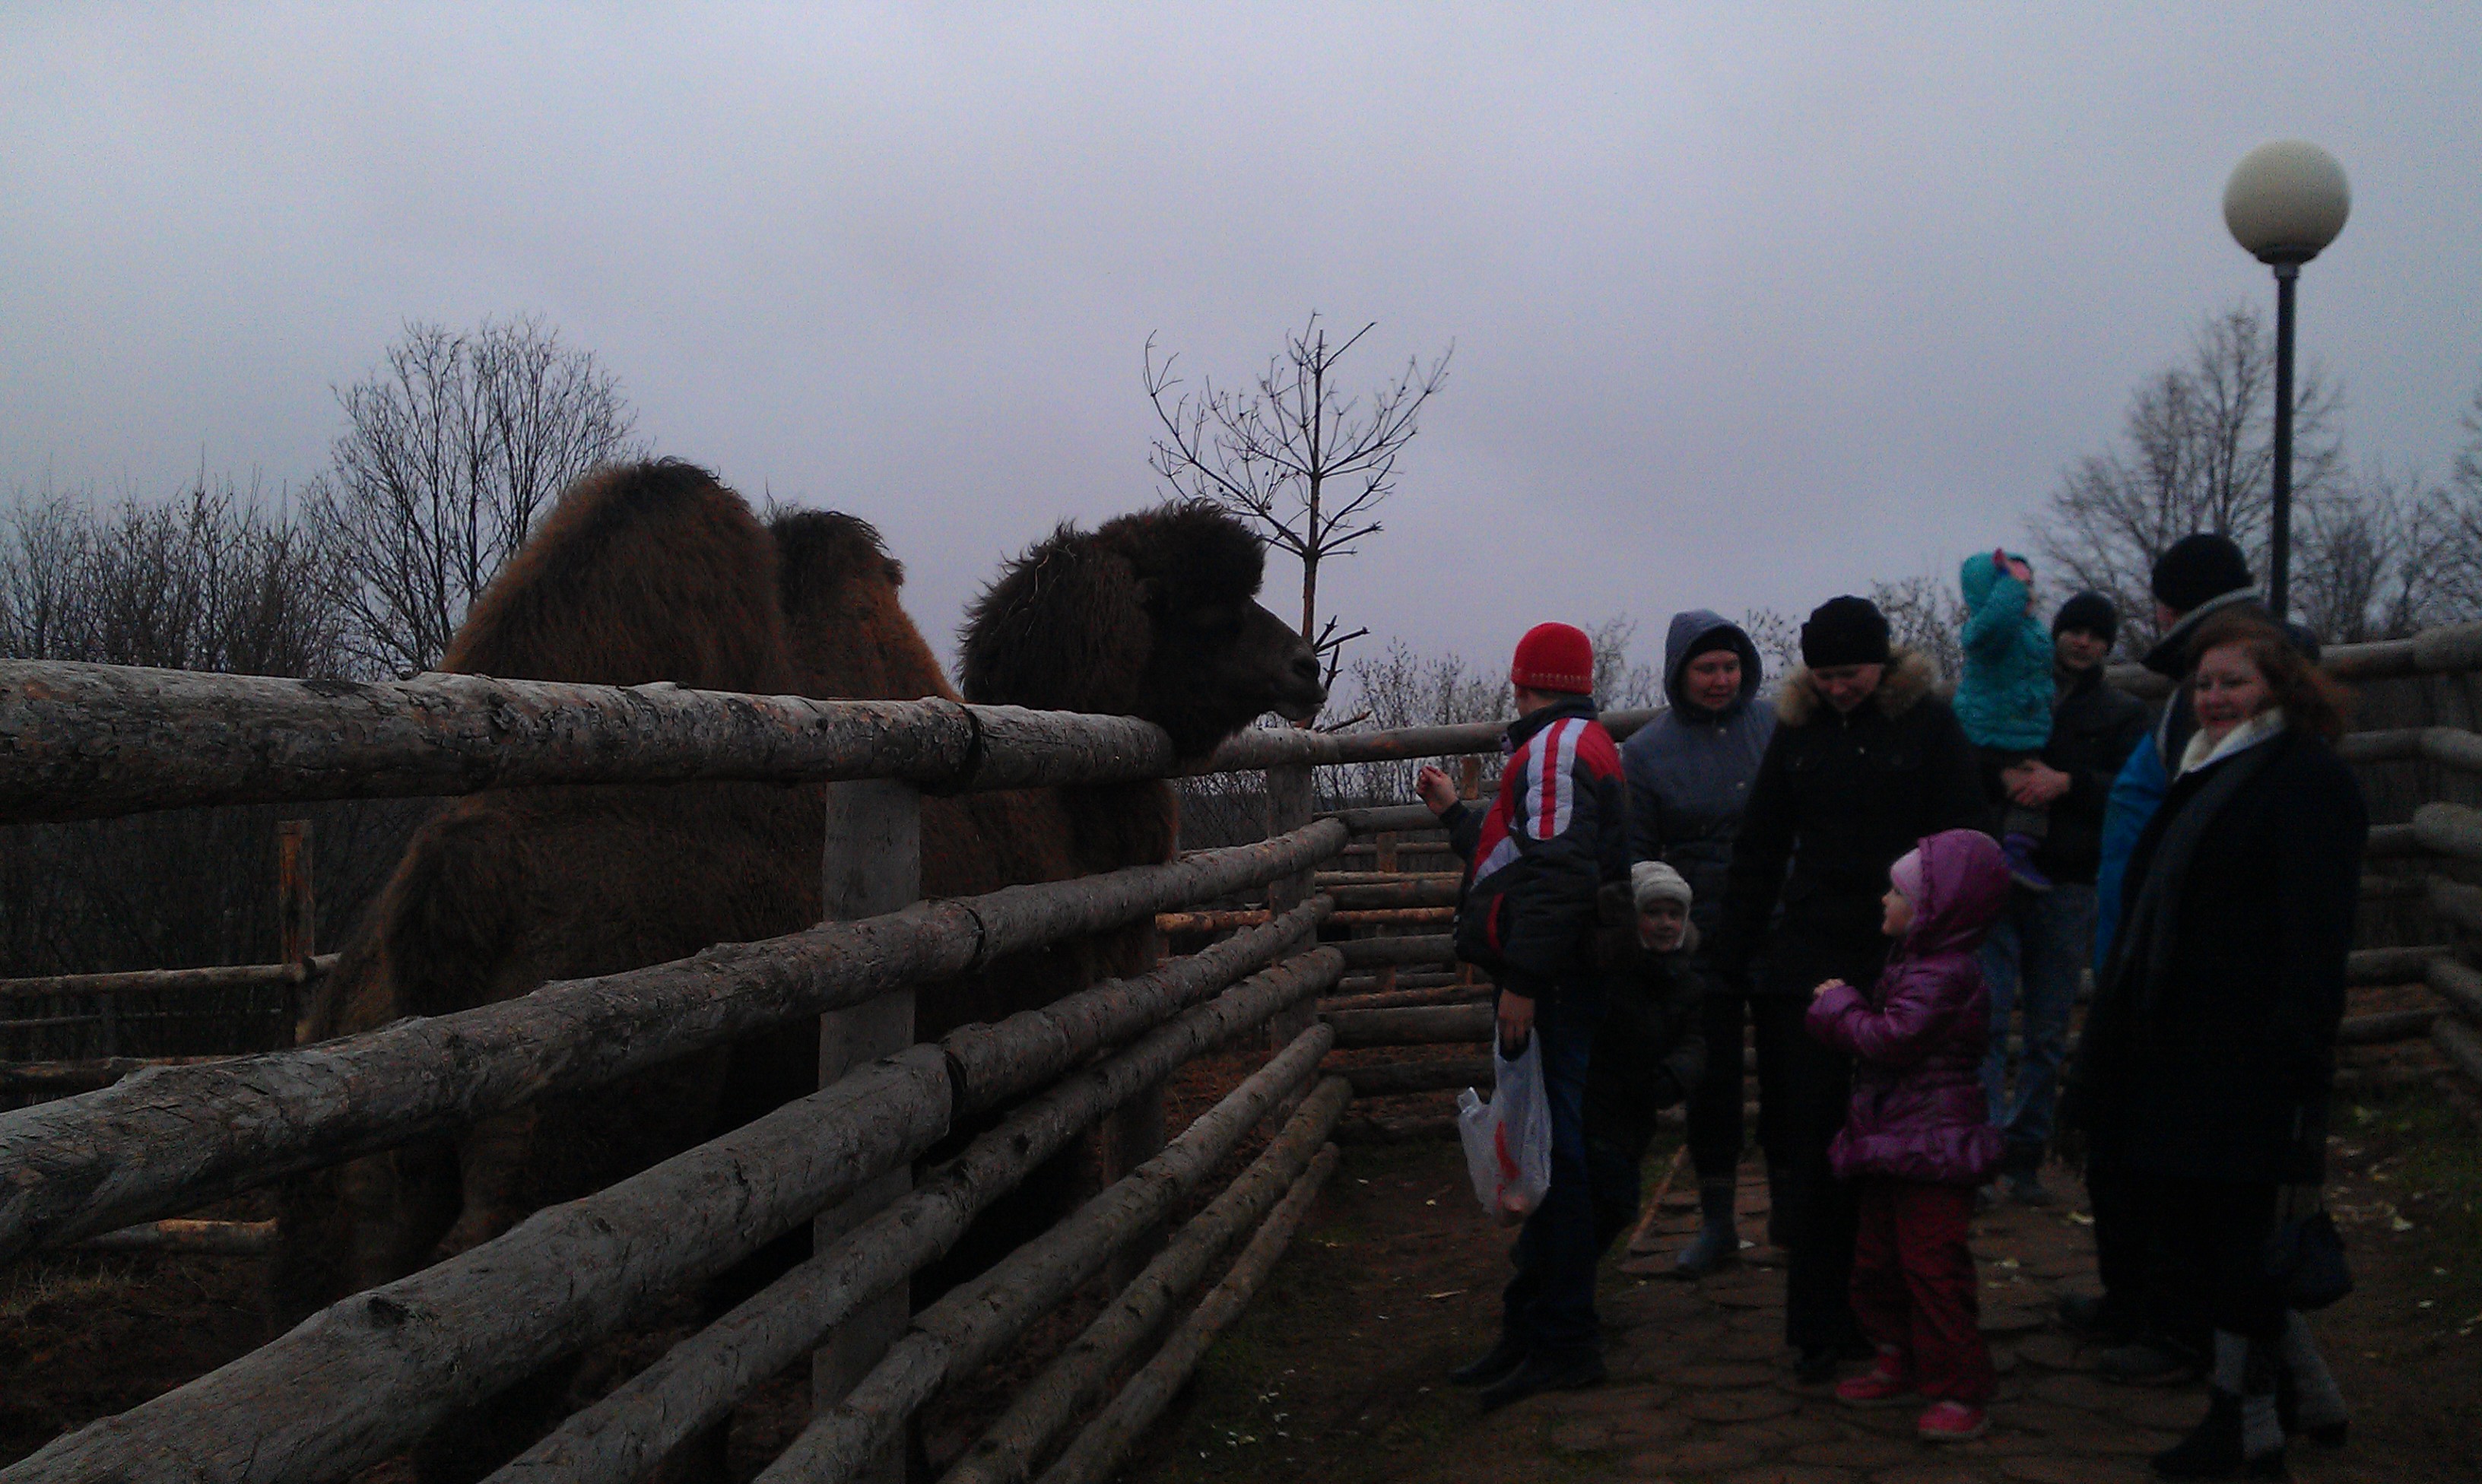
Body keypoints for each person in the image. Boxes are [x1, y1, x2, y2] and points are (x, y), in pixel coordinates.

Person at [2064, 613, 2366, 1479]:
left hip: (2250, 1054)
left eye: (2235, 681)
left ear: (2282, 685)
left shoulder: (2306, 781)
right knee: (2210, 1236)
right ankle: (2309, 1399)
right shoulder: (2206, 770)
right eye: (2204, 684)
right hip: (2183, 1049)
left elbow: (2315, 935)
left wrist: (2298, 1054)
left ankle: (2247, 1423)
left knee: (2239, 1244)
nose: (2215, 697)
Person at [1712, 595, 1988, 1383]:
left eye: (1852, 673)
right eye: (1826, 675)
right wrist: (1730, 957)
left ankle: (1909, 1321)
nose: (1839, 688)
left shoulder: (1930, 727)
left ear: (1883, 663)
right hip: (1811, 955)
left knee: (1900, 1150)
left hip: (1904, 954)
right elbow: (1761, 846)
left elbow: (1967, 842)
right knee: (1813, 1145)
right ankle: (1819, 1325)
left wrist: (1944, 948)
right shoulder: (1797, 732)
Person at [2073, 534, 2269, 1384]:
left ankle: (2172, 1320)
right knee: (2126, 1135)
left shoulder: (2216, 687)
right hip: (2141, 940)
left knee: (2157, 1145)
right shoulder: (2201, 680)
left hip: (2168, 956)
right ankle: (2135, 1298)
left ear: (2168, 603)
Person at [1420, 621, 1629, 1410]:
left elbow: (1557, 877)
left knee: (1553, 1159)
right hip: (1562, 976)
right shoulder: (1573, 746)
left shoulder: (1554, 752)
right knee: (1545, 1148)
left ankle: (1566, 1339)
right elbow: (1521, 855)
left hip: (1552, 983)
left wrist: (1525, 980)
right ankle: (1533, 1325)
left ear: (1522, 681)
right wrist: (1456, 815)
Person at [1807, 829, 2011, 1442]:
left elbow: (1891, 1039)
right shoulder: (1916, 963)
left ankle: (1960, 1387)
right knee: (1879, 1259)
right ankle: (1897, 1354)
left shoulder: (1944, 975)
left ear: (1934, 911)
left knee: (1931, 1266)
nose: (1885, 899)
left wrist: (1838, 1007)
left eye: (1898, 893)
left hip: (1933, 1144)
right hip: (1896, 1138)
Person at [1976, 591, 2147, 1207]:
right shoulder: (2013, 692)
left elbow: (2132, 787)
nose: (2083, 642)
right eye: (2075, 630)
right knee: (1986, 1022)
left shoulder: (2123, 712)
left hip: (2070, 879)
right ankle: (1981, 1157)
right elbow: (1972, 755)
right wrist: (2005, 778)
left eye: (2096, 635)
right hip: (1999, 873)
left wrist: (2067, 783)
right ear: (2057, 634)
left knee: (2048, 1031)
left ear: (2107, 646)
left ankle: (2025, 1156)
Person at [1618, 610, 1773, 1275]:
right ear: (1680, 673)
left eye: (1730, 666)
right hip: (1701, 940)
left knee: (1793, 1069)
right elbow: (1637, 855)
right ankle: (1718, 1220)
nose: (1720, 679)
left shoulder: (1774, 727)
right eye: (1706, 668)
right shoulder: (1647, 753)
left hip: (1779, 925)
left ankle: (1796, 1208)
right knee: (1711, 1080)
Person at [1585, 861, 1712, 1257]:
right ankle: (1553, 1266)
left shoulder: (1688, 982)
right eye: (1653, 913)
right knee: (1610, 1201)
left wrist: (1675, 1075)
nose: (1665, 924)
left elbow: (1696, 1040)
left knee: (1615, 1204)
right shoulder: (1611, 973)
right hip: (1597, 1103)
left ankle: (1555, 1264)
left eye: (1674, 914)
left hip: (1640, 1107)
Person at [1954, 548, 2058, 890]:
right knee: (2000, 798)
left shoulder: (2031, 630)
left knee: (2033, 795)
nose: (2026, 591)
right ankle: (1989, 858)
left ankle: (2017, 852)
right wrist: (2010, 586)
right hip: (1988, 731)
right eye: (2016, 584)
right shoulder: (1987, 633)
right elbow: (1997, 622)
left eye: (2028, 583)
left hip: (2024, 732)